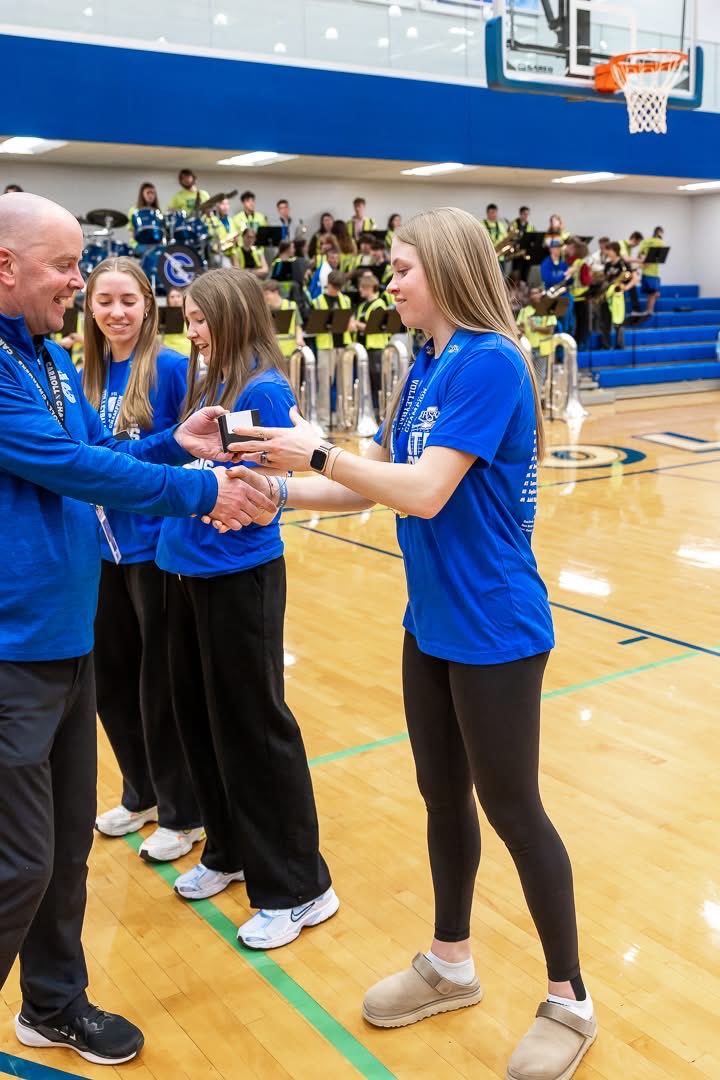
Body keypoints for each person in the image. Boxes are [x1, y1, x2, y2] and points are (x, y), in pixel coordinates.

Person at [228, 207, 596, 1080]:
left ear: (446, 268)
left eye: (400, 269)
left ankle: (571, 999)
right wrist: (272, 489)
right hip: (429, 621)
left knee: (513, 808)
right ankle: (450, 962)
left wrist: (318, 455)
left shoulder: (491, 362)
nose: (387, 284)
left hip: (496, 628)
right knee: (442, 798)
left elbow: (426, 491)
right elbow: (376, 491)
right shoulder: (426, 366)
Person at [0, 193, 275, 1065]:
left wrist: (175, 444)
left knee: (66, 849)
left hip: (64, 641)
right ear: (5, 266)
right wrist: (202, 489)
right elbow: (67, 466)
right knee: (18, 864)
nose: (79, 284)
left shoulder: (40, 356)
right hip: (10, 654)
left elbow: (106, 455)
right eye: (64, 265)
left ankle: (52, 1002)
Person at [155, 269, 338, 948]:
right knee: (201, 718)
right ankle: (228, 849)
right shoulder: (213, 381)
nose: (193, 332)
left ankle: (299, 886)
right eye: (188, 320)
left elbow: (270, 484)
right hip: (185, 569)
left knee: (255, 728)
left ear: (231, 315)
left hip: (239, 575)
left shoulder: (263, 385)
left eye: (201, 320)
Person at [82, 257, 203, 862]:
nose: (116, 313)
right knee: (112, 682)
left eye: (128, 300)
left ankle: (185, 813)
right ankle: (143, 793)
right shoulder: (88, 374)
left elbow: (192, 450)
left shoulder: (172, 368)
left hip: (155, 547)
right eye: (104, 301)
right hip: (101, 546)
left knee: (160, 687)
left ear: (149, 305)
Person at [311, 269, 352, 426]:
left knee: (345, 384)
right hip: (325, 347)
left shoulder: (346, 300)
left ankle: (345, 419)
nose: (337, 290)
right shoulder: (317, 302)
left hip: (343, 346)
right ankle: (324, 420)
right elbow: (313, 327)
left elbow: (351, 322)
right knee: (325, 385)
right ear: (328, 284)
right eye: (335, 287)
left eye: (339, 287)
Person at [352, 271, 388, 412]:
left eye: (362, 287)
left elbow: (372, 327)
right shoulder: (362, 306)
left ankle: (380, 410)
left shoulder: (379, 304)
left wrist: (356, 324)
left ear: (369, 287)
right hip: (363, 348)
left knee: (377, 382)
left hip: (376, 348)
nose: (359, 290)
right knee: (365, 381)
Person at [517, 285, 557, 390]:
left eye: (537, 293)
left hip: (542, 349)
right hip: (527, 349)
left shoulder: (548, 310)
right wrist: (521, 331)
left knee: (539, 377)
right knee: (527, 376)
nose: (534, 296)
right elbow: (519, 327)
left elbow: (550, 330)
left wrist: (536, 328)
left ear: (541, 294)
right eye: (532, 293)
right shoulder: (524, 311)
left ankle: (537, 402)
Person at [599, 242, 631, 349]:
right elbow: (605, 279)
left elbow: (634, 277)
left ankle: (619, 344)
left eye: (609, 250)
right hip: (607, 294)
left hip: (618, 296)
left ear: (615, 251)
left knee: (618, 320)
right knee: (604, 320)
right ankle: (605, 344)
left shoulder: (623, 264)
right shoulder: (607, 265)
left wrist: (626, 287)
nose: (607, 252)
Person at [262, 278, 304, 357]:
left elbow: (298, 326)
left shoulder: (291, 305)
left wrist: (299, 339)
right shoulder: (263, 310)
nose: (265, 297)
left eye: (267, 294)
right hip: (272, 354)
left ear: (276, 292)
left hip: (290, 352)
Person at [638, 226, 665, 317]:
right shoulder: (660, 242)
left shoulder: (645, 241)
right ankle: (650, 311)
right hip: (653, 272)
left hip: (645, 272)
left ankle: (648, 310)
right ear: (660, 233)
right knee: (653, 294)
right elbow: (660, 256)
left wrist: (643, 260)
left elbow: (640, 254)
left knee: (650, 293)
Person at [127, 182, 161, 248]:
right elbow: (130, 230)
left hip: (156, 244)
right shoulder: (134, 210)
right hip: (139, 244)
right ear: (142, 194)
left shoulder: (158, 211)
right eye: (148, 193)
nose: (151, 195)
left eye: (153, 193)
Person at [162, 287, 192, 356]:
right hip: (168, 354)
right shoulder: (163, 316)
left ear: (183, 298)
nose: (175, 299)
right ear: (168, 300)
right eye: (172, 297)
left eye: (178, 296)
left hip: (187, 354)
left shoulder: (190, 315)